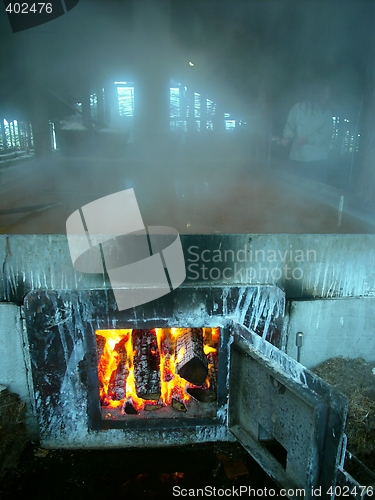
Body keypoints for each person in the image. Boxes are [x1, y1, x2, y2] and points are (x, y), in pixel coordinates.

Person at [281, 82, 333, 183]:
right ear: (316, 93)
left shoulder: (326, 114)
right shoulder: (298, 108)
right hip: (297, 157)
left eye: (328, 94)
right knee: (295, 190)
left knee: (314, 193)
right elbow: (289, 126)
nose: (326, 97)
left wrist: (308, 139)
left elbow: (326, 136)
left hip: (317, 160)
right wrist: (287, 136)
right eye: (324, 93)